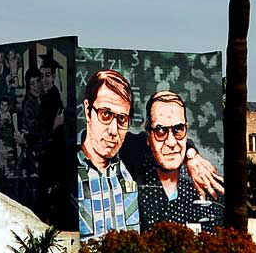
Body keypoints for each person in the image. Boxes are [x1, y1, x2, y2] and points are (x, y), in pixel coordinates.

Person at [137, 91, 224, 232]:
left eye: (178, 130)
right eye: (160, 131)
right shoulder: (133, 177)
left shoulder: (209, 185)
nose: (171, 142)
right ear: (148, 134)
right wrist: (191, 153)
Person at [78, 70, 140, 241]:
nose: (113, 131)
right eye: (105, 114)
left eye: (122, 119)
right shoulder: (62, 161)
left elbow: (164, 139)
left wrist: (191, 154)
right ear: (87, 110)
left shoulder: (133, 157)